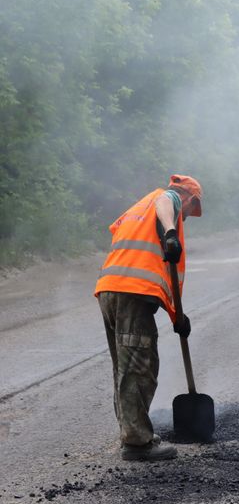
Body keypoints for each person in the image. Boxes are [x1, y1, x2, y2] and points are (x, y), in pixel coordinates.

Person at [94, 175, 203, 460]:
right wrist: (170, 232)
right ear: (190, 199)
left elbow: (147, 263)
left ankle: (132, 432)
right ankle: (137, 443)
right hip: (131, 293)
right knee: (140, 366)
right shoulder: (170, 199)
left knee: (125, 366)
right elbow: (167, 200)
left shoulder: (138, 209)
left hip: (109, 289)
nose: (189, 217)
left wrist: (177, 316)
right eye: (193, 209)